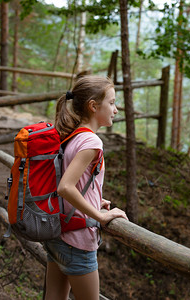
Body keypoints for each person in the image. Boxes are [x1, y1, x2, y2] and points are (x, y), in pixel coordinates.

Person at [43, 75, 128, 300]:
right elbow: (65, 187)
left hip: (58, 233)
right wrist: (100, 216)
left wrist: (93, 200)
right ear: (93, 106)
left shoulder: (72, 135)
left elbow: (71, 182)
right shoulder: (91, 142)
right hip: (77, 240)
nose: (116, 109)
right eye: (111, 103)